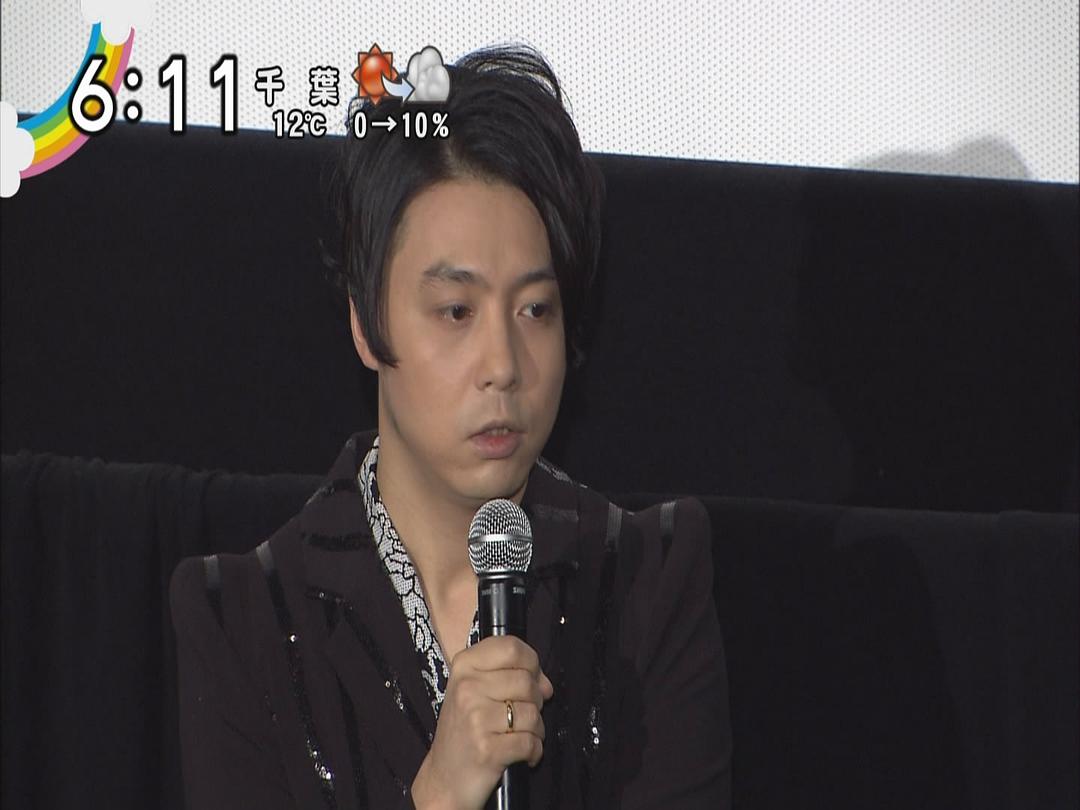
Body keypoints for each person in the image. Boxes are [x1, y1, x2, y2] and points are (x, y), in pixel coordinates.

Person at [169, 44, 732, 809]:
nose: (503, 365)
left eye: (535, 309)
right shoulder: (243, 619)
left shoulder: (647, 580)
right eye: (457, 311)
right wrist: (436, 796)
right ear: (367, 325)